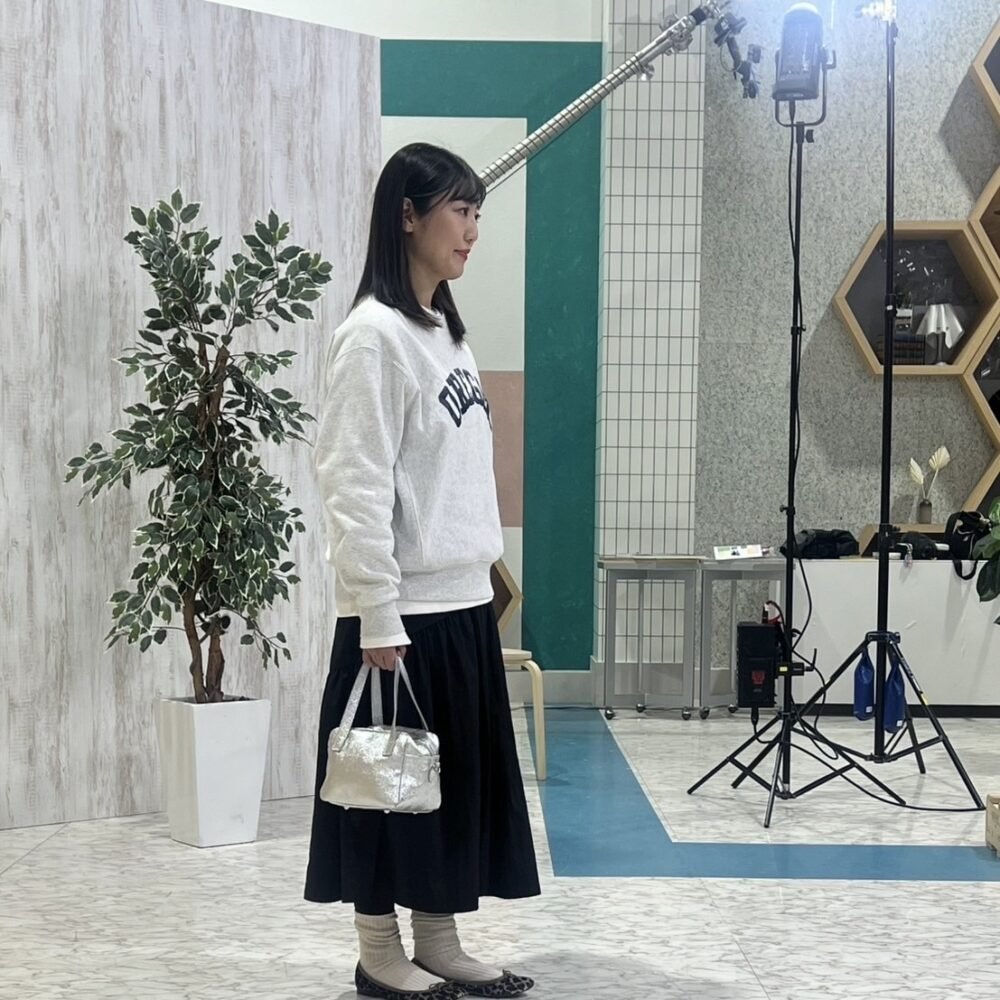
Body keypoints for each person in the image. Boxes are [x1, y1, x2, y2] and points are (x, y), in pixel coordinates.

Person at [305, 142, 540, 1000]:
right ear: (407, 215)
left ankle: (437, 939)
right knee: (381, 787)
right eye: (460, 211)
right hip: (400, 614)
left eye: (478, 213)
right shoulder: (373, 336)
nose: (473, 230)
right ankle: (378, 950)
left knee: (447, 789)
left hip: (462, 604)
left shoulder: (446, 335)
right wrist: (375, 609)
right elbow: (353, 480)